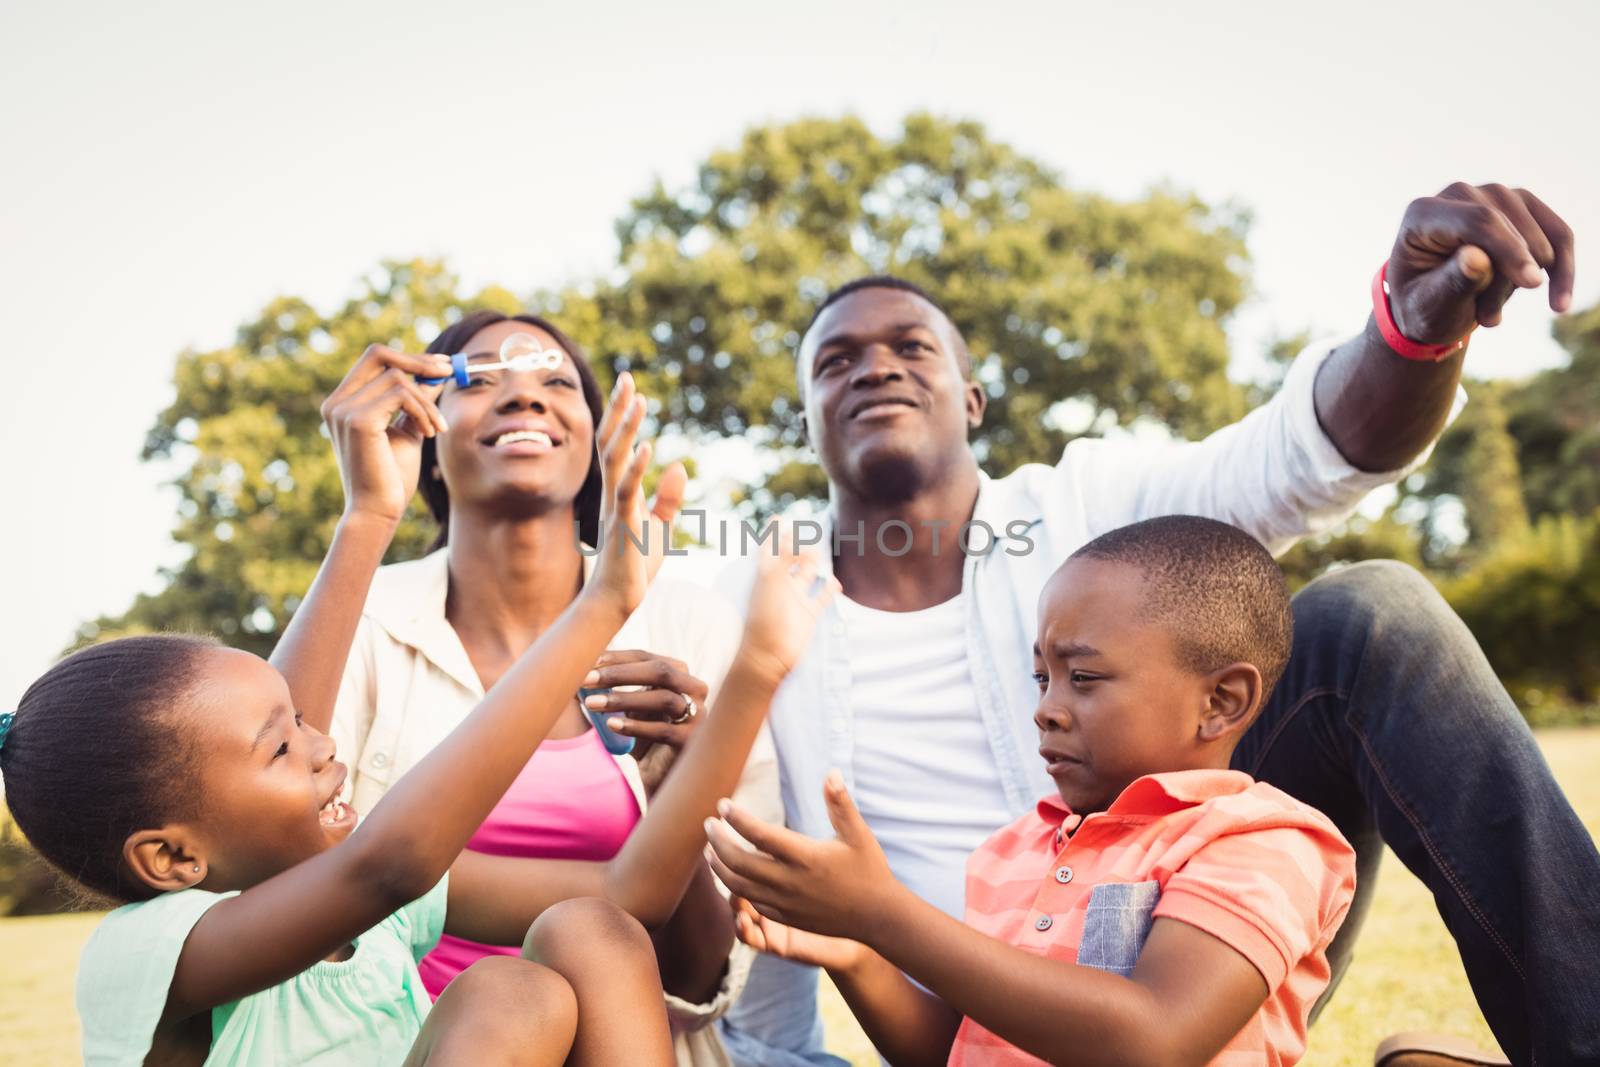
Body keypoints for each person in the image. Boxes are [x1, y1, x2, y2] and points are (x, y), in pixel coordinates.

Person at [713, 182, 1596, 1067]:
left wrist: (1409, 333)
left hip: (1190, 956)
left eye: (910, 346)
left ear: (973, 398)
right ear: (803, 421)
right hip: (968, 1000)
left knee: (1374, 610)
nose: (874, 367)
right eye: (836, 361)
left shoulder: (1087, 507)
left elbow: (1299, 458)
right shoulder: (739, 596)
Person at [287, 311, 780, 1064]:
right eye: (479, 378)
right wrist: (366, 516)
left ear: (592, 436)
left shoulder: (690, 624)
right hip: (395, 1049)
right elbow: (262, 838)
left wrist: (683, 785)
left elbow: (700, 979)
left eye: (556, 380)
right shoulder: (360, 613)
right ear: (424, 431)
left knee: (590, 931)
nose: (523, 394)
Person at [709, 515, 1357, 1066]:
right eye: (1041, 677)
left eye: (1083, 676)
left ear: (1221, 700)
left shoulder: (1263, 843)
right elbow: (959, 1048)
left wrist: (883, 912)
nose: (1047, 707)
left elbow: (1153, 1036)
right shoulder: (1014, 848)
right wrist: (858, 952)